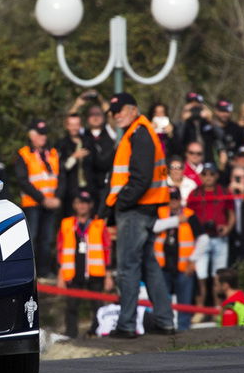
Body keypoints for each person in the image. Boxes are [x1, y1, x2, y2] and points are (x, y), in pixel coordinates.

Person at [100, 92, 175, 338]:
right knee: (148, 266)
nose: (116, 115)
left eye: (121, 110)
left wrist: (121, 203)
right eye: (113, 112)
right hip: (142, 209)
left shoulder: (139, 133)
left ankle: (126, 325)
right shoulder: (138, 131)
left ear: (133, 109)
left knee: (128, 268)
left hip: (135, 211)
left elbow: (140, 178)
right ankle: (165, 320)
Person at [56, 191, 114, 338]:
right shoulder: (66, 224)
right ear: (75, 205)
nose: (82, 206)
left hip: (95, 272)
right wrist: (60, 274)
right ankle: (70, 334)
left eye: (85, 203)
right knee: (71, 306)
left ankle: (96, 332)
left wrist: (108, 275)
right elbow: (60, 249)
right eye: (79, 202)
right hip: (73, 273)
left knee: (97, 306)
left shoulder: (99, 224)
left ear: (91, 205)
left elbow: (107, 250)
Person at [15, 118, 63, 278]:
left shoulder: (53, 153)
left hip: (51, 203)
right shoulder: (23, 154)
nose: (43, 137)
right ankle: (31, 273)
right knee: (32, 238)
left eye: (45, 134)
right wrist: (43, 199)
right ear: (31, 135)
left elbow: (61, 177)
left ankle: (45, 271)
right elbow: (23, 181)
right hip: (33, 203)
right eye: (40, 134)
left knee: (48, 239)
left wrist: (57, 198)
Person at [187, 162, 235, 318]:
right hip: (201, 239)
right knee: (200, 276)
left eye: (211, 174)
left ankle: (217, 310)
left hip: (219, 238)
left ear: (217, 176)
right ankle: (200, 310)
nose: (208, 177)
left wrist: (227, 228)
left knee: (218, 277)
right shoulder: (194, 194)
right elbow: (188, 216)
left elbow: (232, 214)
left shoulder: (224, 191)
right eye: (205, 174)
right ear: (201, 176)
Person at [153, 187, 202, 332]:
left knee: (184, 302)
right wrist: (176, 220)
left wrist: (193, 260)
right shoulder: (160, 212)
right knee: (161, 300)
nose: (173, 202)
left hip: (184, 266)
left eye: (175, 198)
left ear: (180, 199)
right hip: (163, 266)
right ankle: (163, 327)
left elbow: (203, 238)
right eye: (170, 199)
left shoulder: (190, 215)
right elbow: (154, 227)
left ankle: (183, 329)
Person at [174, 92, 226, 168]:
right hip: (188, 164)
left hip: (207, 162)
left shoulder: (207, 123)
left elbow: (221, 136)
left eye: (197, 104)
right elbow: (178, 138)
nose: (195, 109)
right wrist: (183, 120)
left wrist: (210, 120)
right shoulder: (184, 124)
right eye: (191, 104)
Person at [56, 112, 91, 215]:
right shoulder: (62, 144)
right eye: (71, 125)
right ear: (67, 126)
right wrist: (74, 157)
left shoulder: (88, 142)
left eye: (77, 124)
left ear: (80, 126)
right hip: (69, 191)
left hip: (88, 188)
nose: (74, 128)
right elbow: (60, 168)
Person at [83, 104, 116, 208]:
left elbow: (112, 114)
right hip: (89, 186)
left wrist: (99, 99)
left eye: (98, 114)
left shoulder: (110, 131)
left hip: (107, 184)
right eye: (92, 115)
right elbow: (70, 122)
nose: (95, 117)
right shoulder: (84, 134)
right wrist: (79, 103)